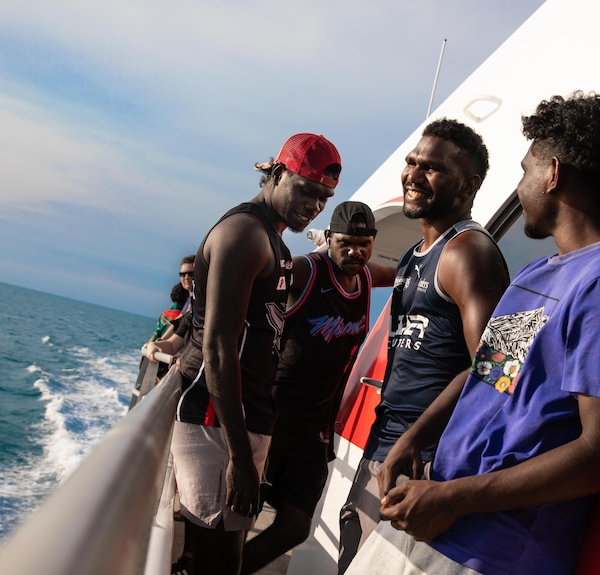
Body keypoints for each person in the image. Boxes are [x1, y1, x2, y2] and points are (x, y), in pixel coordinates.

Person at [345, 92, 600, 575]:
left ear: (553, 174)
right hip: (437, 515)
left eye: (525, 170)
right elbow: (488, 371)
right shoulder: (537, 275)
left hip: (494, 551)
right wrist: (416, 437)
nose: (520, 187)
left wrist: (452, 498)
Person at [338, 118, 511, 573]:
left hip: (426, 458)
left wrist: (417, 439)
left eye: (431, 168)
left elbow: (498, 367)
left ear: (469, 184)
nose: (412, 174)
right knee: (350, 554)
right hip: (386, 440)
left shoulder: (468, 252)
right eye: (411, 162)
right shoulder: (416, 254)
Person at [170, 133, 341, 575]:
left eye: (323, 197)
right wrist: (241, 459)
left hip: (242, 420)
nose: (314, 205)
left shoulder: (274, 241)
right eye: (306, 189)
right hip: (217, 420)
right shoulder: (244, 233)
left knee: (219, 560)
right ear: (277, 173)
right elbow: (218, 347)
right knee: (218, 565)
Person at [240, 201, 396, 573]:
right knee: (241, 515)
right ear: (328, 238)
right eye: (346, 243)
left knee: (294, 526)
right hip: (274, 416)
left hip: (314, 429)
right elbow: (256, 276)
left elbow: (402, 272)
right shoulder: (310, 269)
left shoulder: (365, 278)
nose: (356, 251)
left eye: (364, 243)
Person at [149, 255, 195, 341]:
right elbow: (178, 322)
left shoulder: (201, 300)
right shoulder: (189, 300)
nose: (186, 277)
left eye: (190, 274)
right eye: (182, 274)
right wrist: (161, 341)